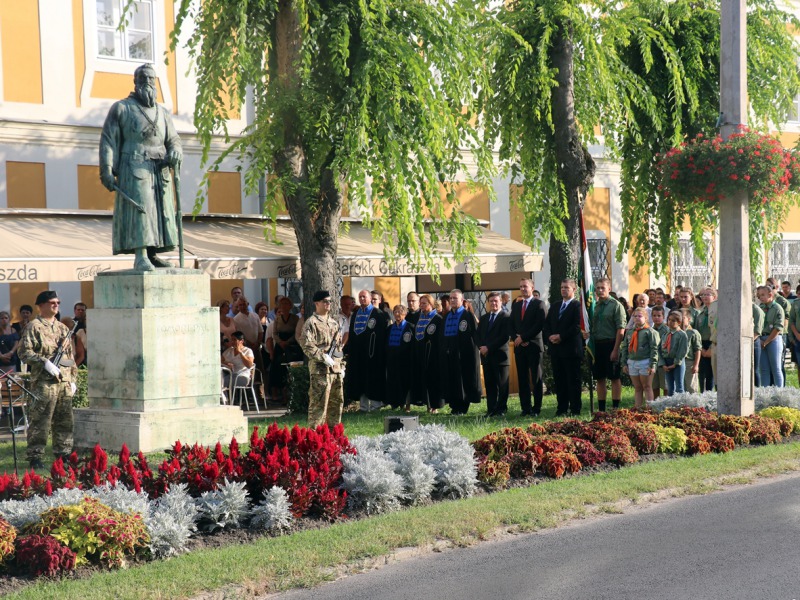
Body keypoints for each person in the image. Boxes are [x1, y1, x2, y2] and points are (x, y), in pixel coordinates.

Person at [99, 63, 182, 271]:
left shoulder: (163, 113)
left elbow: (174, 139)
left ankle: (153, 254)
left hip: (160, 169)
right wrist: (106, 169)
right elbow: (108, 140)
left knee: (160, 213)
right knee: (141, 210)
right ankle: (141, 254)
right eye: (143, 78)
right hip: (134, 165)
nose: (147, 82)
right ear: (135, 82)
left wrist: (175, 151)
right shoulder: (122, 108)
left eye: (151, 79)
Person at [17, 290, 77, 469]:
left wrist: (72, 379)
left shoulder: (63, 328)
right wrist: (44, 362)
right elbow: (24, 352)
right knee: (40, 421)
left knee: (65, 421)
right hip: (44, 383)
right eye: (52, 302)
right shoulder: (33, 327)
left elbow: (70, 357)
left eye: (58, 302)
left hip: (64, 383)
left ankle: (63, 455)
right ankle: (36, 456)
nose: (56, 305)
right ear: (41, 305)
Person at [300, 290, 344, 428]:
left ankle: (334, 437)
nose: (328, 304)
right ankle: (315, 440)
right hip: (320, 371)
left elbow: (338, 348)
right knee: (318, 407)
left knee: (336, 405)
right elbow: (306, 344)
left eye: (330, 301)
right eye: (325, 301)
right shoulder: (311, 323)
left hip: (335, 370)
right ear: (317, 303)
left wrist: (342, 366)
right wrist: (321, 356)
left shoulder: (334, 323)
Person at [543, 279, 584, 416]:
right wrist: (550, 336)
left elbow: (577, 326)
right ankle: (561, 408)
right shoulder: (555, 306)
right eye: (561, 287)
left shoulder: (577, 306)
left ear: (574, 290)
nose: (563, 290)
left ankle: (575, 409)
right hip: (556, 350)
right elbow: (547, 324)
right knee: (559, 381)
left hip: (571, 349)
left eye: (566, 287)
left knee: (572, 380)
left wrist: (561, 336)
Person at [586, 278, 626, 412]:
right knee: (599, 377)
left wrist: (615, 350)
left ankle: (615, 407)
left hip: (611, 343)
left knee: (614, 377)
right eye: (597, 288)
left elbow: (620, 329)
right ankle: (602, 409)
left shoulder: (616, 305)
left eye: (603, 288)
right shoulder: (594, 306)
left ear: (609, 289)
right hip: (597, 345)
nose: (600, 290)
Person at [345, 289, 389, 411]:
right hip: (358, 353)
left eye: (364, 297)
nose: (362, 299)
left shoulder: (378, 314)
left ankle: (375, 404)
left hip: (372, 352)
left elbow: (381, 335)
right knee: (360, 377)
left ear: (370, 298)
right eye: (360, 297)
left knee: (373, 378)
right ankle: (364, 406)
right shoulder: (356, 314)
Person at [441, 289, 481, 415]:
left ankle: (463, 406)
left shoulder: (467, 315)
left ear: (462, 300)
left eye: (455, 298)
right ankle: (454, 406)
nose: (452, 300)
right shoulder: (446, 316)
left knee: (463, 380)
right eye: (451, 298)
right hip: (449, 354)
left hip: (463, 355)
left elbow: (474, 335)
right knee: (451, 379)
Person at [510, 278, 546, 417]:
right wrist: (516, 338)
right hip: (520, 347)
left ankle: (536, 408)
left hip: (534, 346)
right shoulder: (517, 305)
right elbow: (510, 325)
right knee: (522, 378)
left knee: (536, 378)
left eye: (525, 286)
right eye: (521, 287)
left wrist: (523, 337)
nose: (523, 289)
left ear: (532, 287)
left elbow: (539, 324)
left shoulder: (539, 304)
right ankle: (525, 408)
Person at [478, 292, 511, 416]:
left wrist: (489, 347)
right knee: (490, 384)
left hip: (500, 356)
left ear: (501, 302)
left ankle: (501, 409)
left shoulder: (505, 317)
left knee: (502, 385)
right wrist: (481, 347)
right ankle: (491, 409)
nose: (493, 303)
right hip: (486, 356)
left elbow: (504, 337)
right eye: (491, 301)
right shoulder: (484, 318)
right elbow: (478, 334)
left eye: (496, 301)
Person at [410, 294, 444, 413]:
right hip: (420, 353)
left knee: (432, 380)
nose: (421, 305)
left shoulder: (438, 319)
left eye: (424, 303)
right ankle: (426, 403)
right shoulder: (418, 318)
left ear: (430, 304)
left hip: (432, 355)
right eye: (421, 303)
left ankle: (434, 405)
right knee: (422, 379)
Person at [620, 308, 659, 410]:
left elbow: (654, 349)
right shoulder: (630, 332)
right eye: (634, 316)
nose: (637, 318)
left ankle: (649, 409)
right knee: (637, 387)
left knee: (647, 386)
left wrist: (652, 364)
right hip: (632, 362)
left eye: (640, 316)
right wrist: (624, 363)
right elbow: (625, 347)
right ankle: (638, 409)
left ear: (646, 318)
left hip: (645, 362)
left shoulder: (650, 332)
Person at [267, 296, 301, 404]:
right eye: (282, 304)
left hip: (291, 346)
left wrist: (288, 342)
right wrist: (280, 342)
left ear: (290, 306)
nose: (284, 306)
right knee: (277, 367)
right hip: (279, 345)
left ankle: (290, 394)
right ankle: (277, 394)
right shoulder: (277, 319)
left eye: (287, 304)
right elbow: (274, 334)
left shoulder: (295, 318)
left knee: (289, 368)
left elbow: (296, 332)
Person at [386, 305, 415, 411]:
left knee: (405, 382)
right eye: (396, 312)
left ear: (405, 314)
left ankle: (407, 405)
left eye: (400, 312)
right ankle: (395, 403)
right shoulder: (389, 329)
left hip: (405, 360)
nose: (398, 314)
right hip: (392, 359)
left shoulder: (410, 327)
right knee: (393, 381)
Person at [757, 285, 785, 387]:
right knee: (764, 369)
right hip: (761, 340)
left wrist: (766, 342)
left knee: (776, 368)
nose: (761, 297)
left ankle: (779, 393)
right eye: (759, 296)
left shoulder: (777, 308)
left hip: (773, 339)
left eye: (763, 295)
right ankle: (765, 393)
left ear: (770, 294)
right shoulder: (760, 308)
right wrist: (759, 340)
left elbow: (778, 328)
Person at [661, 310, 689, 396]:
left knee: (679, 387)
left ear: (679, 322)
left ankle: (681, 407)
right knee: (670, 387)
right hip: (667, 362)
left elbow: (682, 351)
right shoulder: (665, 334)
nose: (670, 322)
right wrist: (663, 364)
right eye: (669, 320)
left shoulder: (682, 335)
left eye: (673, 320)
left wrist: (676, 363)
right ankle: (670, 408)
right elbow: (661, 349)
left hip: (677, 363)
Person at [695, 289, 715, 391]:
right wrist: (701, 348)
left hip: (713, 344)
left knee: (711, 373)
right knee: (702, 372)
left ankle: (710, 394)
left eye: (708, 294)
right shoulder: (700, 314)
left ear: (714, 297)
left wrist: (711, 348)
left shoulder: (717, 313)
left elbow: (717, 331)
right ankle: (702, 394)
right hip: (702, 344)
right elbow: (697, 332)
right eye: (703, 295)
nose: (705, 297)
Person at [650, 306, 669, 398]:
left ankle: (666, 404)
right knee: (654, 385)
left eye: (659, 315)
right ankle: (656, 404)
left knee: (665, 385)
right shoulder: (650, 330)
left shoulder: (666, 330)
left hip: (663, 360)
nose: (656, 318)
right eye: (654, 315)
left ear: (663, 317)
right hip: (653, 361)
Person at [682, 310, 702, 394]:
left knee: (691, 386)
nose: (680, 320)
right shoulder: (677, 332)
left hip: (689, 362)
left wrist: (696, 365)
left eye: (683, 318)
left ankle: (693, 406)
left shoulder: (693, 332)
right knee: (681, 386)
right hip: (679, 362)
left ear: (689, 319)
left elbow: (698, 349)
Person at [752, 302, 766, 387]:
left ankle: (757, 390)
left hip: (753, 341)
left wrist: (748, 342)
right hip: (742, 342)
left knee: (754, 370)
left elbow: (757, 331)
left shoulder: (756, 310)